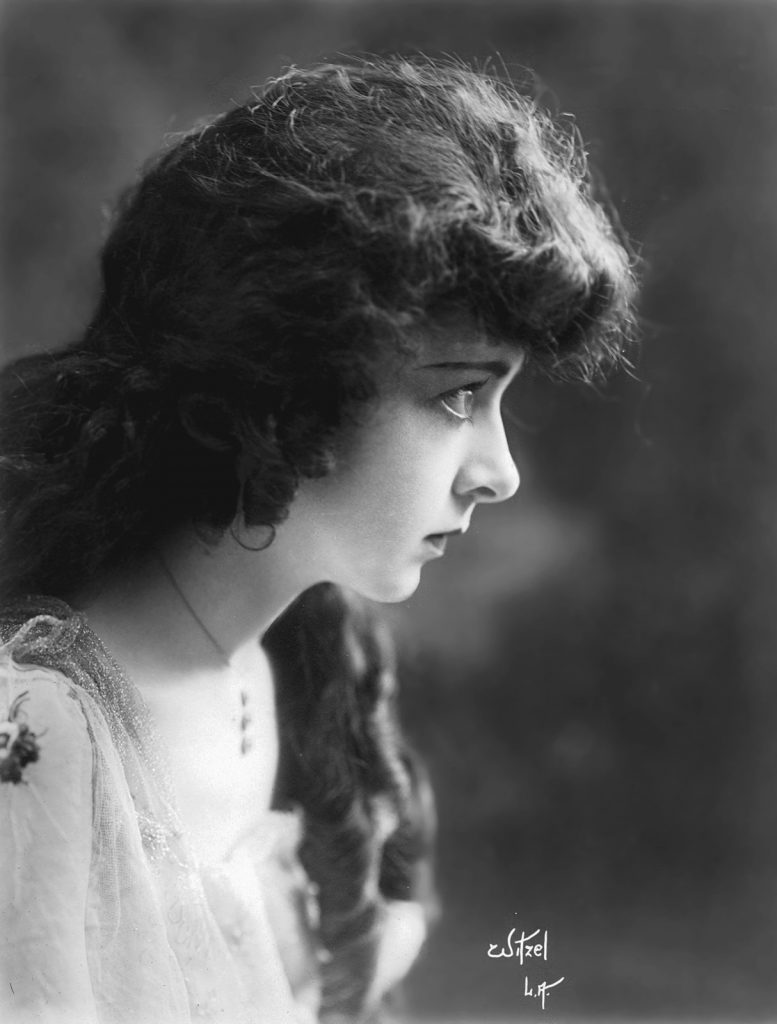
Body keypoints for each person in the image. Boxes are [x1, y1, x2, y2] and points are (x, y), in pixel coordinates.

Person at [0, 55, 636, 1024]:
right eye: (457, 396)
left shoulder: (293, 662)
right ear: (286, 392)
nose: (499, 470)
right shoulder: (39, 731)